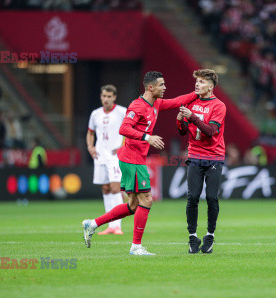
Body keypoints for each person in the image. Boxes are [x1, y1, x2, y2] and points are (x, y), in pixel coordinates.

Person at [82, 71, 197, 255]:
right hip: (132, 159)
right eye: (161, 85)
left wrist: (198, 93)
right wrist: (147, 137)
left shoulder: (156, 103)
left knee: (134, 205)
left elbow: (177, 101)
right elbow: (124, 128)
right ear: (150, 87)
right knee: (147, 200)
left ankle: (92, 224)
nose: (165, 87)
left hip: (133, 158)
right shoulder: (137, 106)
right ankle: (136, 247)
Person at [177, 69, 226, 254]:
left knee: (212, 197)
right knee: (193, 197)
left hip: (214, 156)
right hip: (195, 155)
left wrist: (192, 116)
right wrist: (180, 121)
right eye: (196, 81)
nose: (197, 84)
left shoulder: (219, 106)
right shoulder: (190, 102)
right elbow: (183, 131)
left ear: (211, 86)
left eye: (201, 82)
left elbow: (211, 131)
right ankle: (192, 237)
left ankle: (210, 235)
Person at [86, 84, 126, 235]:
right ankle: (111, 225)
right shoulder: (95, 114)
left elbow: (131, 131)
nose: (106, 99)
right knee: (106, 189)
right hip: (100, 155)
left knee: (116, 188)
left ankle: (118, 226)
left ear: (114, 97)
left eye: (109, 96)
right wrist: (90, 147)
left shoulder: (122, 112)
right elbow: (90, 133)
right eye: (104, 96)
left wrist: (123, 147)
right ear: (101, 97)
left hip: (115, 156)